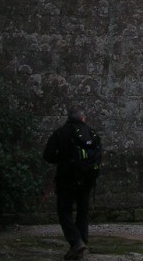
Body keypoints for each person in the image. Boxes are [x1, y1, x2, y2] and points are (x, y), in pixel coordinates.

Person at [43, 106, 102, 260]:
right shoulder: (92, 133)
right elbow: (98, 155)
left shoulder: (61, 133)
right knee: (82, 212)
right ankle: (81, 244)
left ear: (68, 118)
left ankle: (76, 242)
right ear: (83, 118)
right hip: (87, 179)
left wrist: (62, 160)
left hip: (66, 178)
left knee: (64, 211)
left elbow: (47, 155)